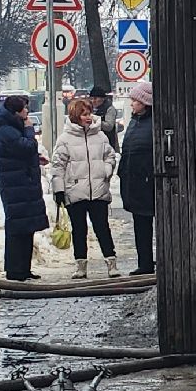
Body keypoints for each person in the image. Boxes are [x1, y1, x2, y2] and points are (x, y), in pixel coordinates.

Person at [50, 97, 121, 278]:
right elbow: (58, 165)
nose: (88, 117)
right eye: (84, 114)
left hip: (98, 189)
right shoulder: (65, 139)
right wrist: (59, 189)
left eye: (89, 113)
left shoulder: (100, 135)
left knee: (102, 228)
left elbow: (110, 156)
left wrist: (106, 170)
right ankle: (80, 266)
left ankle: (111, 263)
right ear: (75, 116)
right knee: (79, 230)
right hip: (75, 190)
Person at [0, 95, 47, 281]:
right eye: (24, 109)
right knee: (17, 228)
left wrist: (34, 158)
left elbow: (21, 151)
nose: (27, 112)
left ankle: (24, 268)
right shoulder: (6, 130)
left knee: (26, 227)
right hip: (15, 185)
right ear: (16, 111)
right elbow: (25, 146)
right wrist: (30, 130)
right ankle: (15, 270)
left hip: (23, 182)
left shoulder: (12, 127)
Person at [118, 79, 156, 275]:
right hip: (134, 182)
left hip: (149, 182)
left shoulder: (154, 123)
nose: (131, 103)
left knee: (154, 224)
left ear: (145, 102)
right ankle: (145, 263)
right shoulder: (134, 122)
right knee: (140, 226)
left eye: (135, 100)